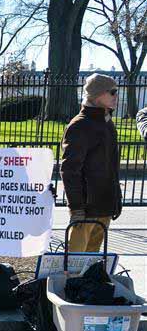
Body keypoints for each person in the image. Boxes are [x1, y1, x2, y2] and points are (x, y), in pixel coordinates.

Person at [60, 73, 122, 253]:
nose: (116, 96)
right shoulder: (80, 125)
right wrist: (76, 207)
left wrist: (115, 199)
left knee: (91, 263)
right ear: (97, 95)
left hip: (104, 204)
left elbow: (111, 167)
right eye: (112, 92)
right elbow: (70, 170)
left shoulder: (106, 123)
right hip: (87, 208)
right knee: (74, 262)